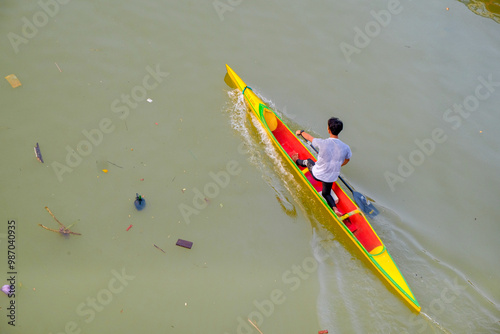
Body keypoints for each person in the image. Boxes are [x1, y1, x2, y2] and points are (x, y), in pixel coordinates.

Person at [292, 117, 352, 217]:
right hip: (331, 177)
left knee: (308, 161)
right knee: (326, 194)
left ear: (328, 130)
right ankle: (335, 209)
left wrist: (300, 132)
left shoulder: (323, 142)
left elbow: (309, 137)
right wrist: (338, 164)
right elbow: (347, 160)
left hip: (317, 174)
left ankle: (296, 161)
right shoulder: (346, 147)